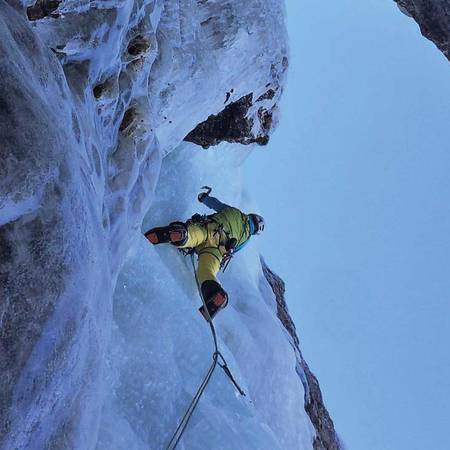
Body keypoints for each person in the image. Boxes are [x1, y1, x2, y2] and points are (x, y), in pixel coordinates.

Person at [145, 187, 265, 320]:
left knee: (193, 236)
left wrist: (204, 198)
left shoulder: (234, 212)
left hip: (210, 229)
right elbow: (234, 249)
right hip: (218, 250)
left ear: (250, 216)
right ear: (255, 231)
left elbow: (216, 204)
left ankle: (182, 235)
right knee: (206, 271)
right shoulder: (245, 238)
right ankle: (215, 293)